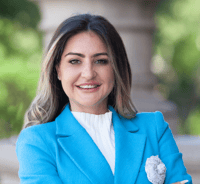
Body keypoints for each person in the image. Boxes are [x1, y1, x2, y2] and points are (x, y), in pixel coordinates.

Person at [16, 14, 192, 184]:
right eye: (75, 61)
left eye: (101, 61)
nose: (88, 73)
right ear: (58, 70)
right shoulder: (37, 142)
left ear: (116, 68)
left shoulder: (154, 128)